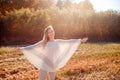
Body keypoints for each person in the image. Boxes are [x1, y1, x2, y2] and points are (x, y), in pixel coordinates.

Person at [16, 25, 88, 80]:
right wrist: (22, 49)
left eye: (52, 31)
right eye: (49, 32)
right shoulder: (44, 42)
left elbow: (69, 42)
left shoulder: (58, 41)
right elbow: (33, 46)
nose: (51, 33)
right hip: (44, 63)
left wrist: (80, 40)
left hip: (53, 64)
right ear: (47, 34)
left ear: (54, 32)